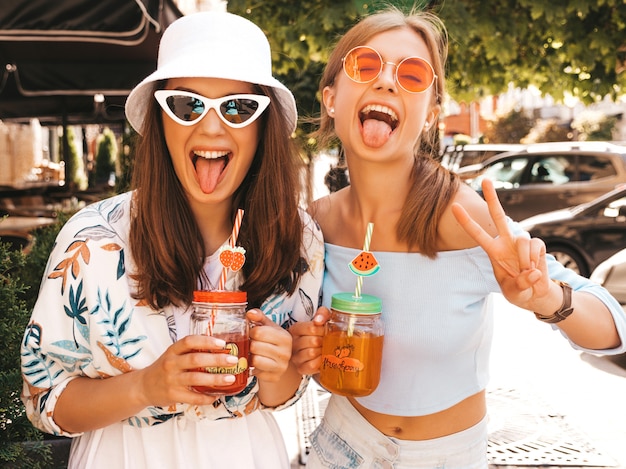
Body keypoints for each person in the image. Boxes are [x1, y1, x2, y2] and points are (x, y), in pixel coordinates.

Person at [290, 7, 626, 468]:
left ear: (430, 114)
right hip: (338, 446)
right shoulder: (317, 222)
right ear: (331, 97)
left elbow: (613, 328)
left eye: (411, 74)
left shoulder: (462, 214)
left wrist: (548, 298)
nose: (386, 81)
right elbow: (301, 364)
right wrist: (310, 350)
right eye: (366, 65)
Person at [20, 11, 324, 469]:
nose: (212, 128)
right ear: (161, 119)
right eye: (188, 105)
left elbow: (280, 398)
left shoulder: (298, 240)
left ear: (263, 127)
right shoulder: (93, 242)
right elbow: (44, 402)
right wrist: (147, 386)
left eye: (238, 107)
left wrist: (279, 370)